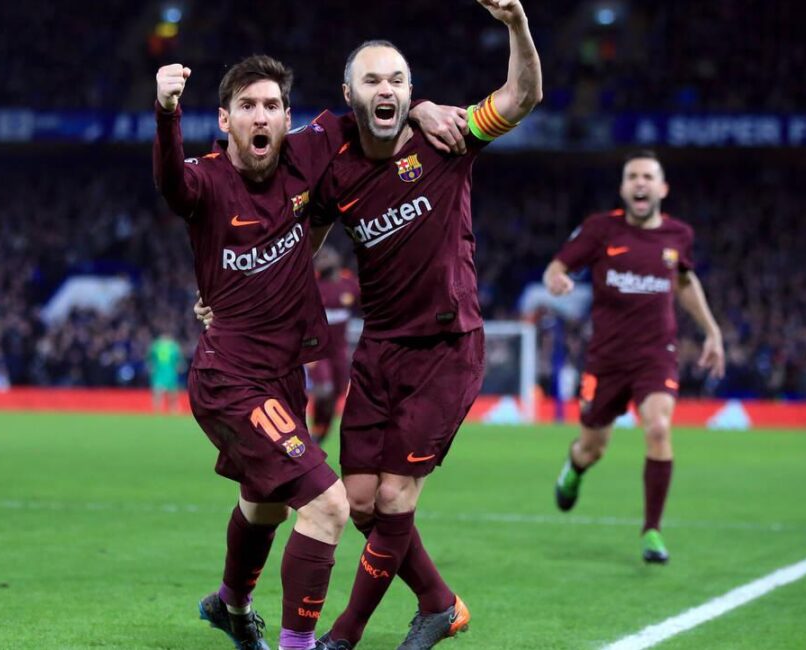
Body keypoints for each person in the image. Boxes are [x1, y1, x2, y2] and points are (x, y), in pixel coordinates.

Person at [154, 54, 464, 650]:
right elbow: (171, 181)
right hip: (230, 379)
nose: (260, 116)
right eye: (247, 106)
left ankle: (231, 605)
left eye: (271, 105)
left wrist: (420, 108)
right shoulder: (207, 179)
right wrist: (166, 113)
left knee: (264, 504)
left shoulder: (310, 150)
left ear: (288, 118)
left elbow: (372, 113)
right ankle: (300, 646)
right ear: (224, 121)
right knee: (328, 504)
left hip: (283, 378)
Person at [307, 2, 542, 647]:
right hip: (378, 348)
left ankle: (344, 636)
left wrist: (517, 27)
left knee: (395, 496)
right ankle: (439, 602)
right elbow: (302, 243)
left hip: (446, 346)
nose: (386, 90)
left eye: (397, 81)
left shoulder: (449, 137)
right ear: (349, 94)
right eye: (373, 81)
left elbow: (521, 97)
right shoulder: (336, 171)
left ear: (411, 90)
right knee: (358, 500)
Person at [543, 150, 725, 564]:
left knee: (659, 428)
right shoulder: (600, 229)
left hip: (656, 354)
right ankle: (574, 468)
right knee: (593, 448)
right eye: (632, 177)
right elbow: (557, 266)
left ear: (662, 188)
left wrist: (712, 330)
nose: (640, 183)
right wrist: (556, 279)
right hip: (606, 358)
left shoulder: (679, 236)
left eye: (648, 176)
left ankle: (652, 531)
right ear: (624, 188)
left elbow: (684, 280)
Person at [307, 246, 359, 444]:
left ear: (338, 258)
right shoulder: (312, 286)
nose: (322, 259)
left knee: (335, 394)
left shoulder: (349, 284)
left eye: (326, 255)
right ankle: (311, 434)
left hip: (340, 352)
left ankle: (319, 434)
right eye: (319, 257)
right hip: (318, 351)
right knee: (323, 391)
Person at [147, 331, 184, 412]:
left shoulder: (173, 346)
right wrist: (151, 365)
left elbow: (179, 358)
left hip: (170, 371)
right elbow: (150, 357)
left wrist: (179, 365)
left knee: (172, 392)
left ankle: (174, 408)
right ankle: (157, 409)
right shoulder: (156, 345)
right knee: (158, 391)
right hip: (159, 371)